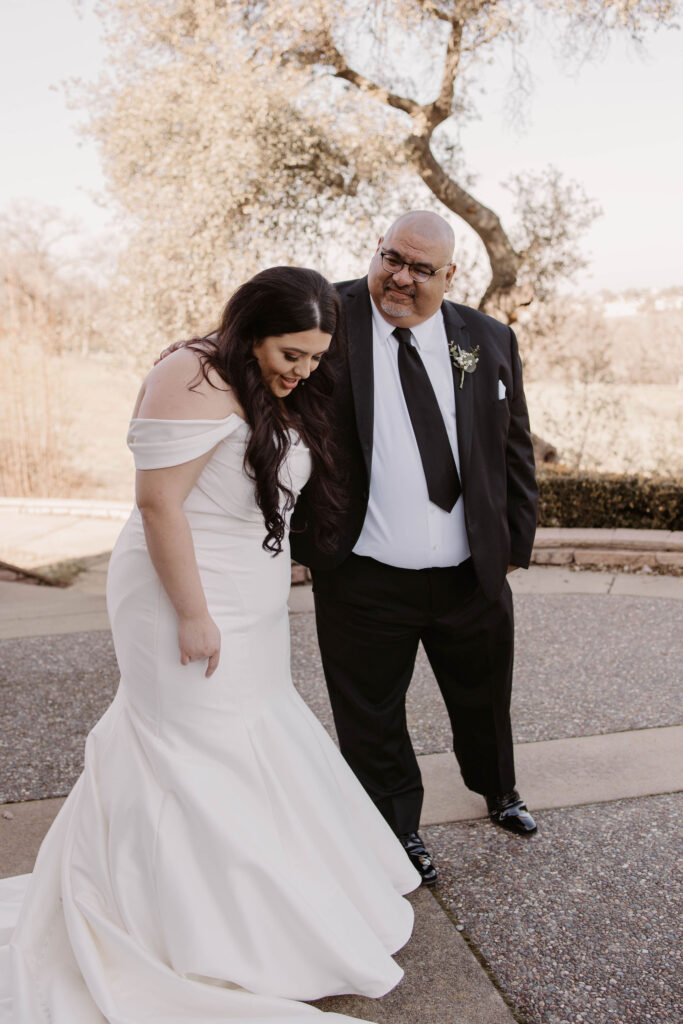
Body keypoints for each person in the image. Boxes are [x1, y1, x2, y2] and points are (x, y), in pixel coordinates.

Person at [0, 266, 420, 1024]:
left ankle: (258, 912)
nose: (302, 371)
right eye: (290, 353)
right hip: (179, 594)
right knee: (187, 748)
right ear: (250, 328)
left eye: (316, 358)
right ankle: (172, 927)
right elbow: (158, 505)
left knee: (247, 737)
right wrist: (192, 614)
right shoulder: (190, 374)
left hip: (248, 598)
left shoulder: (267, 386)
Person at [291, 212, 539, 887]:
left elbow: (512, 445)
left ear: (449, 276)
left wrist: (514, 540)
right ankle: (396, 831)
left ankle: (498, 790)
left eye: (419, 268)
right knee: (370, 716)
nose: (399, 277)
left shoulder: (487, 339)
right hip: (362, 573)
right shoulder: (326, 317)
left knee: (485, 696)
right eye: (389, 258)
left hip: (471, 572)